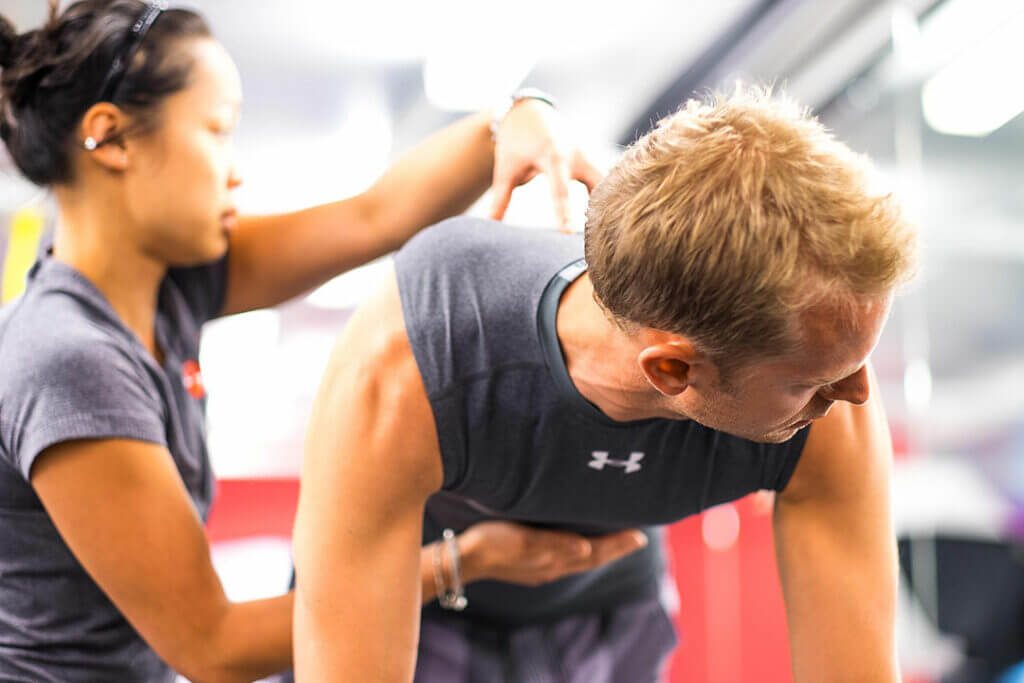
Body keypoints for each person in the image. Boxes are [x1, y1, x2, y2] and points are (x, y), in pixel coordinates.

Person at [0, 1, 627, 681]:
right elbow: (215, 644)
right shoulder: (69, 358)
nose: (235, 170)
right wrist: (462, 560)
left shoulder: (172, 286)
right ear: (111, 139)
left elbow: (375, 216)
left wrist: (514, 119)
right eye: (216, 131)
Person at [293, 86, 919, 681]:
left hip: (608, 607)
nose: (857, 395)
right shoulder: (421, 356)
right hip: (423, 603)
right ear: (673, 370)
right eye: (813, 382)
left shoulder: (825, 381)